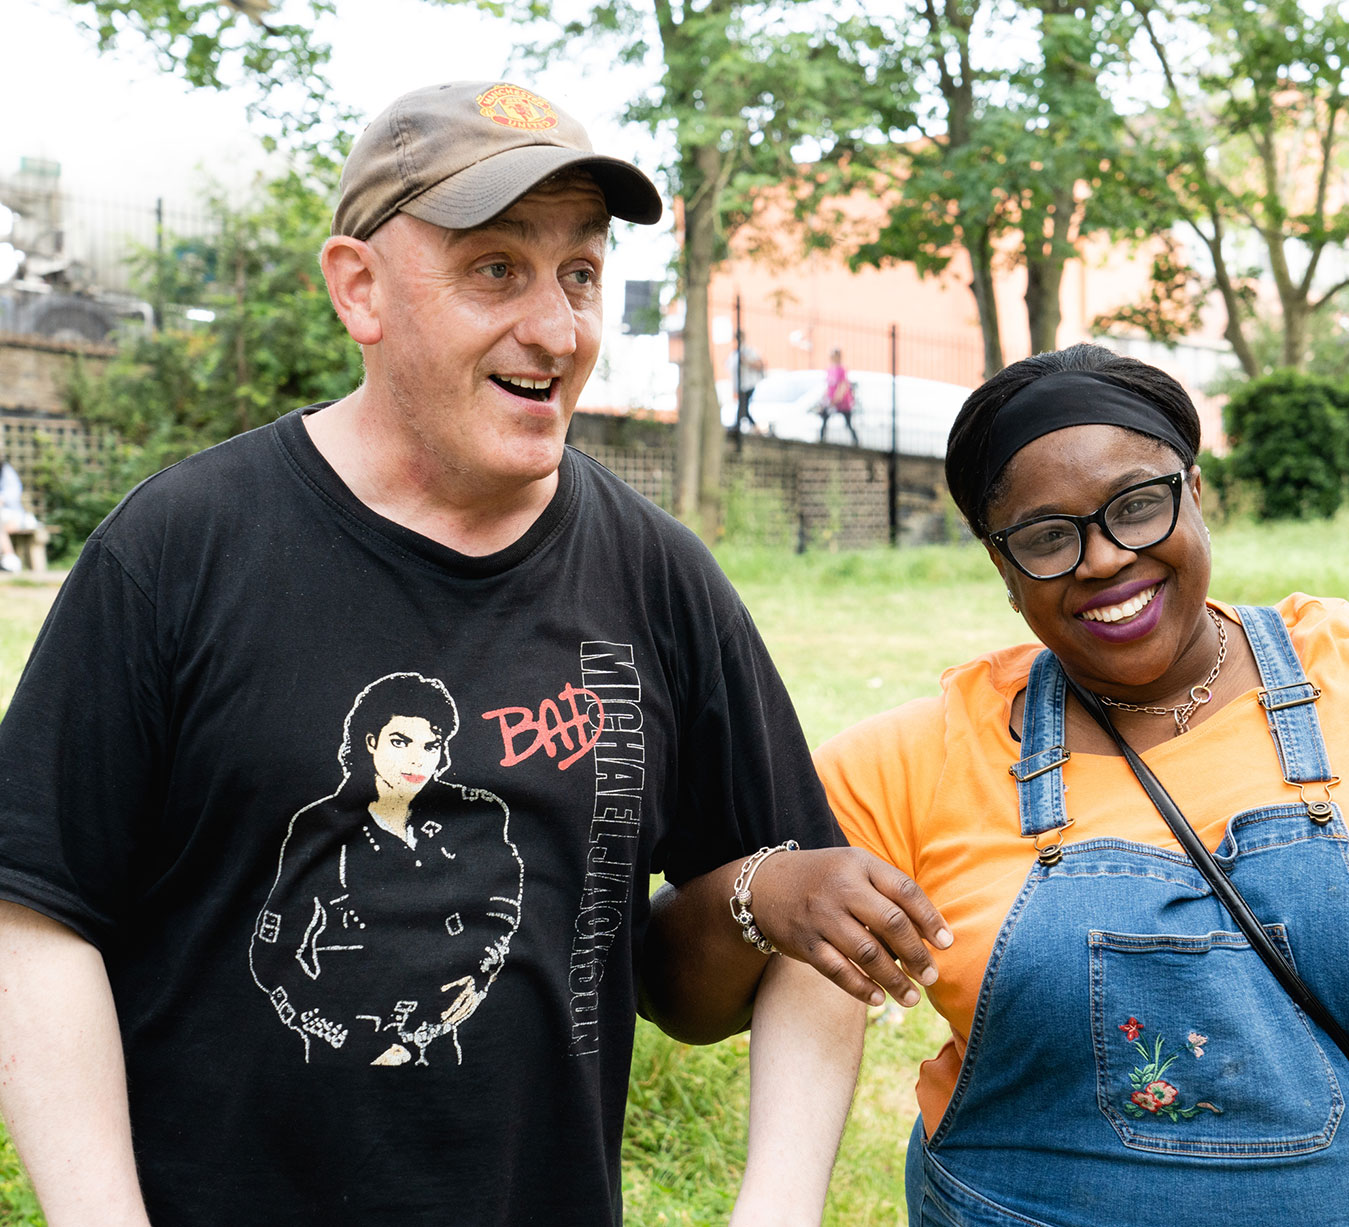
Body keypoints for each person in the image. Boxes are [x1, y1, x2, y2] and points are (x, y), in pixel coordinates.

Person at [0, 80, 948, 1227]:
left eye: (581, 274)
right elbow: (36, 911)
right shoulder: (182, 549)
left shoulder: (655, 576)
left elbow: (808, 922)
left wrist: (777, 1206)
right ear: (360, 289)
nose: (556, 327)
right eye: (496, 268)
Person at [813, 342, 1349, 1227]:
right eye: (1049, 537)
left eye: (1137, 505)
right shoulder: (912, 760)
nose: (1103, 558)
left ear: (1196, 493)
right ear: (1004, 568)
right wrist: (755, 889)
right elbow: (694, 976)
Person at [249, 672, 523, 1068]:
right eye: (401, 742)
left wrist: (482, 970)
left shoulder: (477, 814)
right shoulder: (319, 827)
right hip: (346, 1053)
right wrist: (348, 1037)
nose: (417, 759)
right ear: (370, 741)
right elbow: (273, 954)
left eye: (431, 745)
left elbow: (502, 902)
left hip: (442, 1045)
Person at [0, 452, 36, 573]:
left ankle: (10, 559)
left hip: (13, 516)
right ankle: (10, 559)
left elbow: (11, 496)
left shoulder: (6, 472)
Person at [818, 347, 859, 446]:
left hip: (842, 403)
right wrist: (825, 400)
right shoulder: (829, 370)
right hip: (831, 401)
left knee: (848, 423)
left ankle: (856, 442)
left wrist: (835, 399)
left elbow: (843, 386)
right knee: (824, 418)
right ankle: (821, 440)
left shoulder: (842, 370)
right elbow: (828, 387)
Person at [727, 334, 765, 434]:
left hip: (749, 384)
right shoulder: (734, 354)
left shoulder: (749, 351)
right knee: (744, 407)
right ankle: (754, 427)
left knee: (743, 405)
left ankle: (737, 426)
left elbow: (760, 365)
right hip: (739, 385)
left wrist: (746, 361)